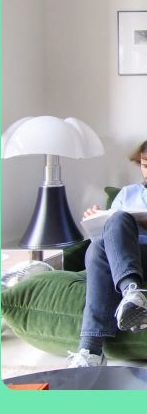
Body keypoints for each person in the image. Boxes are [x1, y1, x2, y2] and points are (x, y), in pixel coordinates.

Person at [69, 142, 147, 366]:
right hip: (129, 257)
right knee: (100, 241)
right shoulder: (127, 193)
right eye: (145, 165)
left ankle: (91, 348)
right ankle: (90, 351)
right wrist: (98, 219)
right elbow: (105, 246)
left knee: (115, 225)